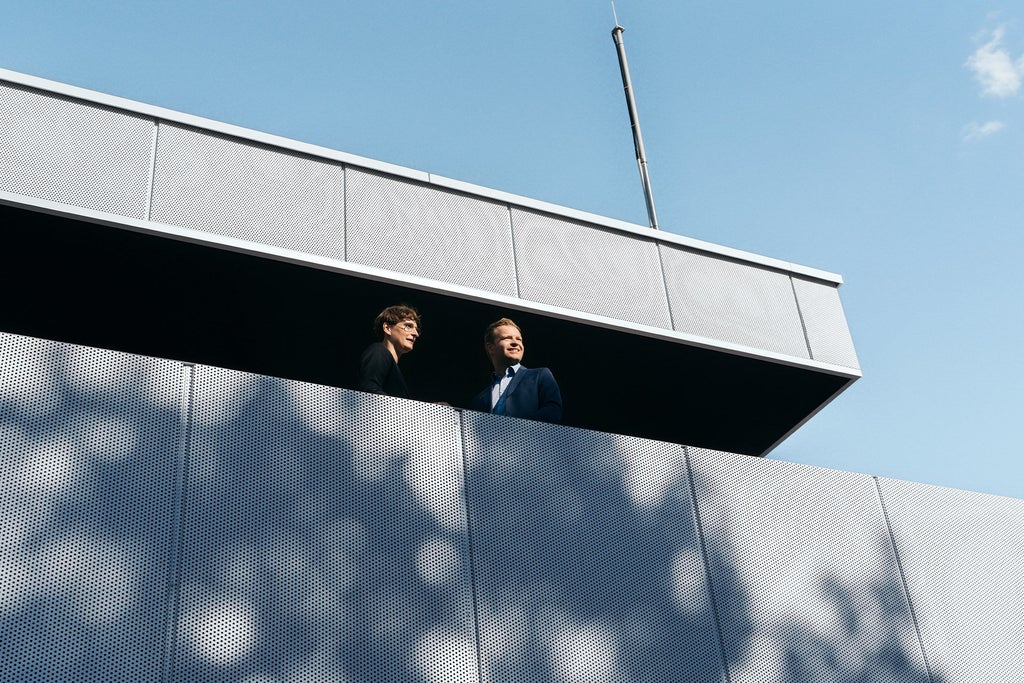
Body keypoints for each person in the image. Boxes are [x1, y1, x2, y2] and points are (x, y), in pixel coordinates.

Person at [471, 317, 562, 423]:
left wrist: (519, 429)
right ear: (491, 348)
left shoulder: (540, 376)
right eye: (507, 338)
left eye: (519, 339)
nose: (515, 343)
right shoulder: (479, 400)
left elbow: (553, 411)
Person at [358, 305, 420, 398]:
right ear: (387, 328)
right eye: (408, 326)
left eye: (416, 329)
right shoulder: (378, 351)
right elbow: (369, 391)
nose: (416, 334)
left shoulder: (392, 367)